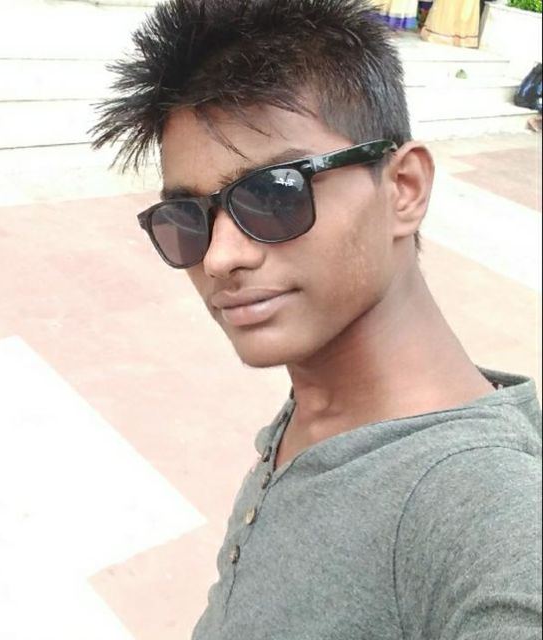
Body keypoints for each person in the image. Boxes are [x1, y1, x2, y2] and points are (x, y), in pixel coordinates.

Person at [92, 1, 542, 638]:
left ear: (404, 188)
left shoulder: (486, 509)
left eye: (273, 193)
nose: (219, 258)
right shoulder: (321, 402)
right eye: (186, 218)